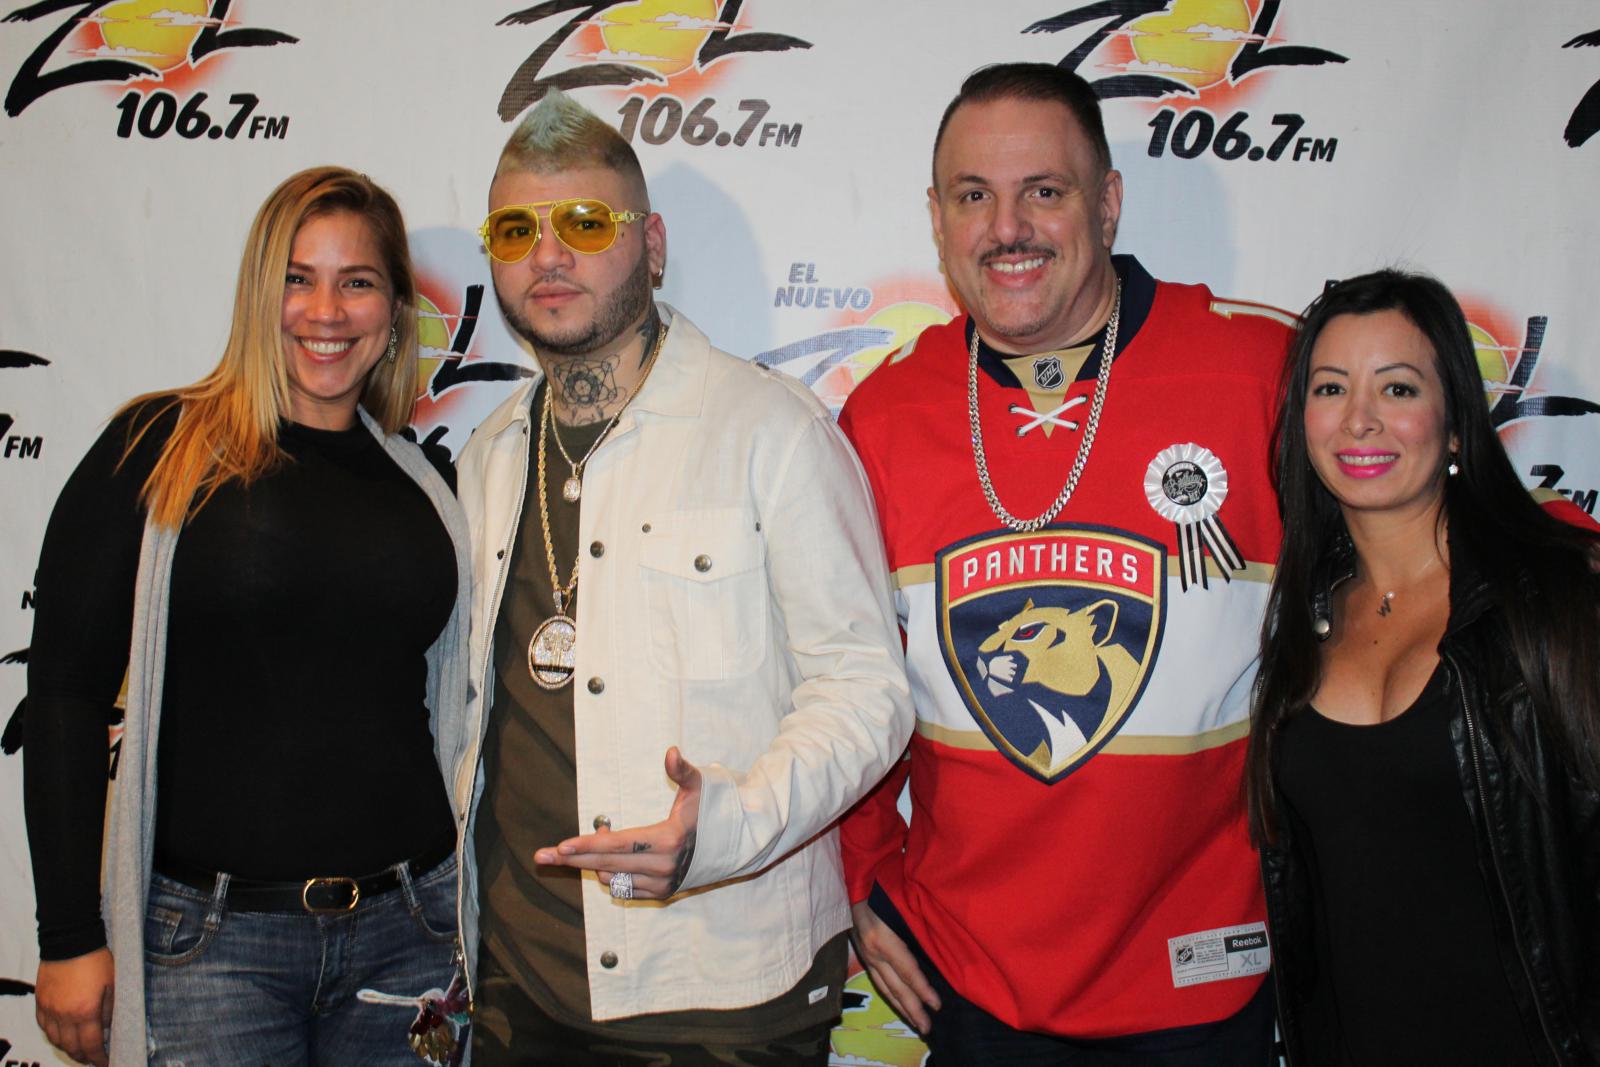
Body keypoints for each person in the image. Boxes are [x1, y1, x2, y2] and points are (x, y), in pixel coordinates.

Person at [838, 63, 1294, 1063]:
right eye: (973, 196)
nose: (1008, 228)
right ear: (936, 219)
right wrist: (859, 871)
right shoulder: (882, 415)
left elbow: (1425, 531)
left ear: (1108, 202)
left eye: (1043, 191)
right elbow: (846, 673)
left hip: (1204, 978)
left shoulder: (1261, 371)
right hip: (971, 988)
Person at [452, 89, 912, 1064]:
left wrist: (727, 826)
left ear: (651, 245)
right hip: (520, 984)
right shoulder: (488, 456)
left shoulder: (770, 431)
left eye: (586, 222)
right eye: (516, 229)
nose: (548, 255)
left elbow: (867, 690)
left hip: (727, 987)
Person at [24, 167, 472, 1067]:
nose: (325, 311)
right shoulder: (159, 448)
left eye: (357, 281)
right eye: (297, 279)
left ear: (395, 311)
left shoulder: (429, 485)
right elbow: (65, 693)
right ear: (259, 294)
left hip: (413, 934)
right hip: (212, 952)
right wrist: (69, 933)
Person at [1247, 269, 1600, 1065]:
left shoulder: (1552, 603)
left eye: (1397, 387)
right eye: (1331, 388)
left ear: (1455, 425)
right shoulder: (1302, 620)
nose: (1360, 419)